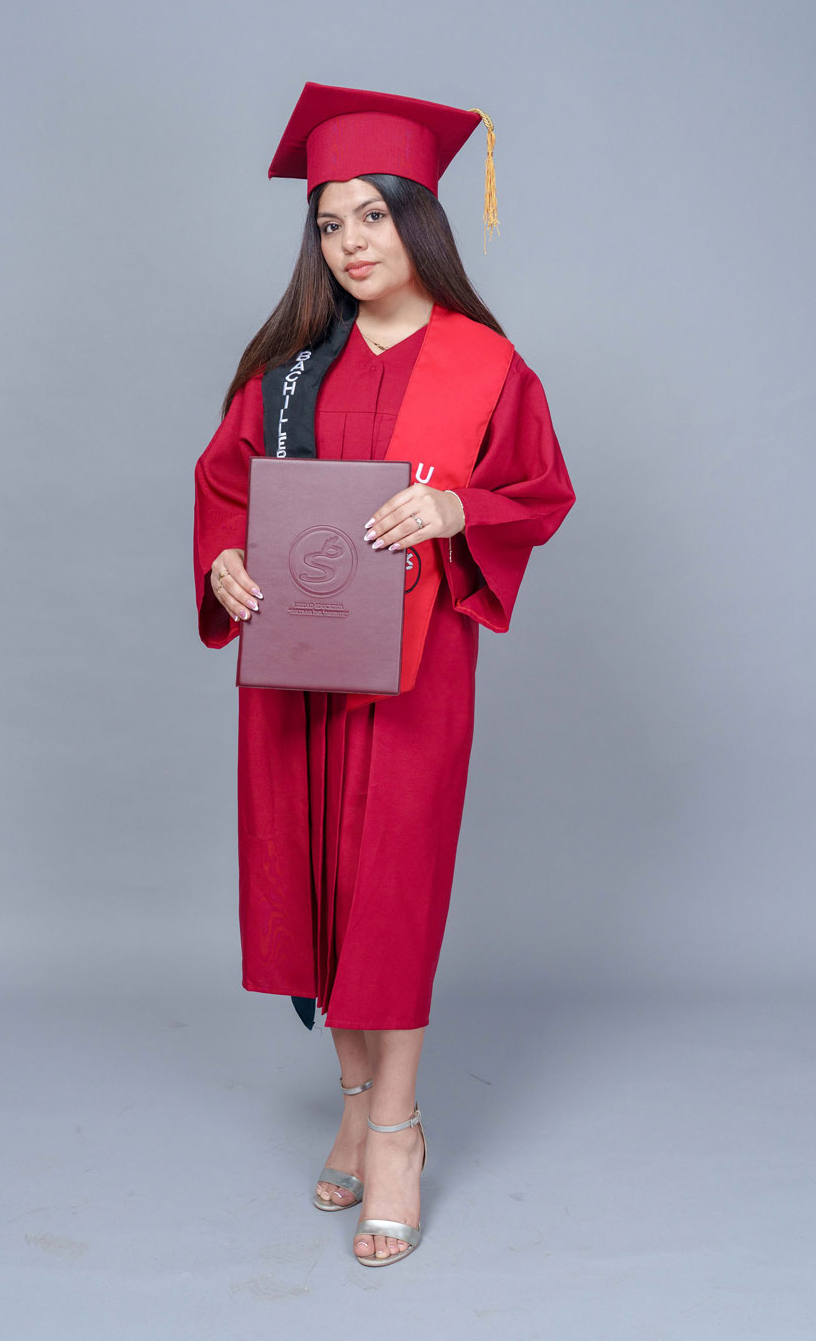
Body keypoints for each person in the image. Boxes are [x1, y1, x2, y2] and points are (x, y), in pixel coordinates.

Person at [192, 81, 576, 1267]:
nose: (351, 244)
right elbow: (225, 487)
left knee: (390, 884)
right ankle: (354, 1103)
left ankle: (397, 1128)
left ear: (420, 219)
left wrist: (457, 509)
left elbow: (537, 492)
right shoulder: (287, 371)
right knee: (314, 879)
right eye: (329, 224)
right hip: (297, 665)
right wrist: (221, 564)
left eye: (372, 216)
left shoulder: (484, 365)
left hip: (415, 670)